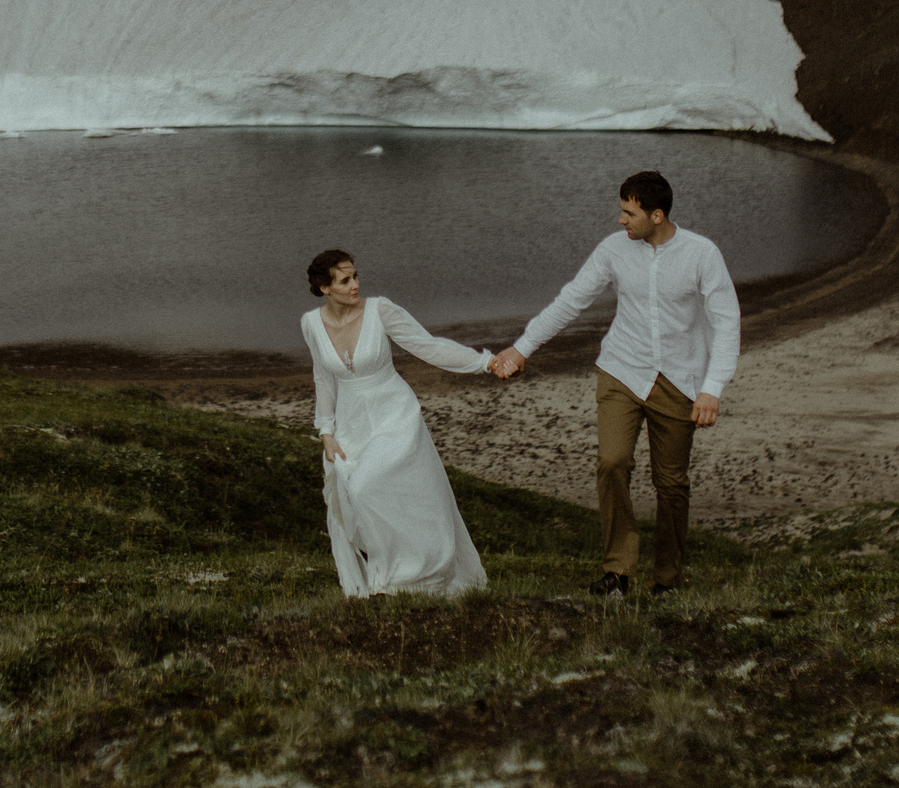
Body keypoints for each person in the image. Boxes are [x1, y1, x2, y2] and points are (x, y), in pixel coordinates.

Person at [488, 171, 738, 597]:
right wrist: (521, 348)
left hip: (680, 380)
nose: (620, 220)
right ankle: (618, 572)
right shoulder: (612, 249)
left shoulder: (702, 254)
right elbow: (571, 300)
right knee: (612, 462)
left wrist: (712, 387)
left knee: (671, 483)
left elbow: (727, 321)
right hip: (621, 370)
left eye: (629, 212)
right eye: (622, 210)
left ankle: (668, 580)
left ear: (656, 216)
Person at [302, 248, 496, 598]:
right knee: (355, 499)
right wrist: (326, 432)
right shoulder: (311, 324)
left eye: (356, 276)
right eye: (345, 280)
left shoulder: (380, 310)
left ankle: (419, 574)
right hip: (349, 423)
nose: (355, 285)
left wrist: (485, 362)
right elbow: (323, 379)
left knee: (368, 487)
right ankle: (388, 578)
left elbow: (429, 347)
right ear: (324, 288)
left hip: (393, 413)